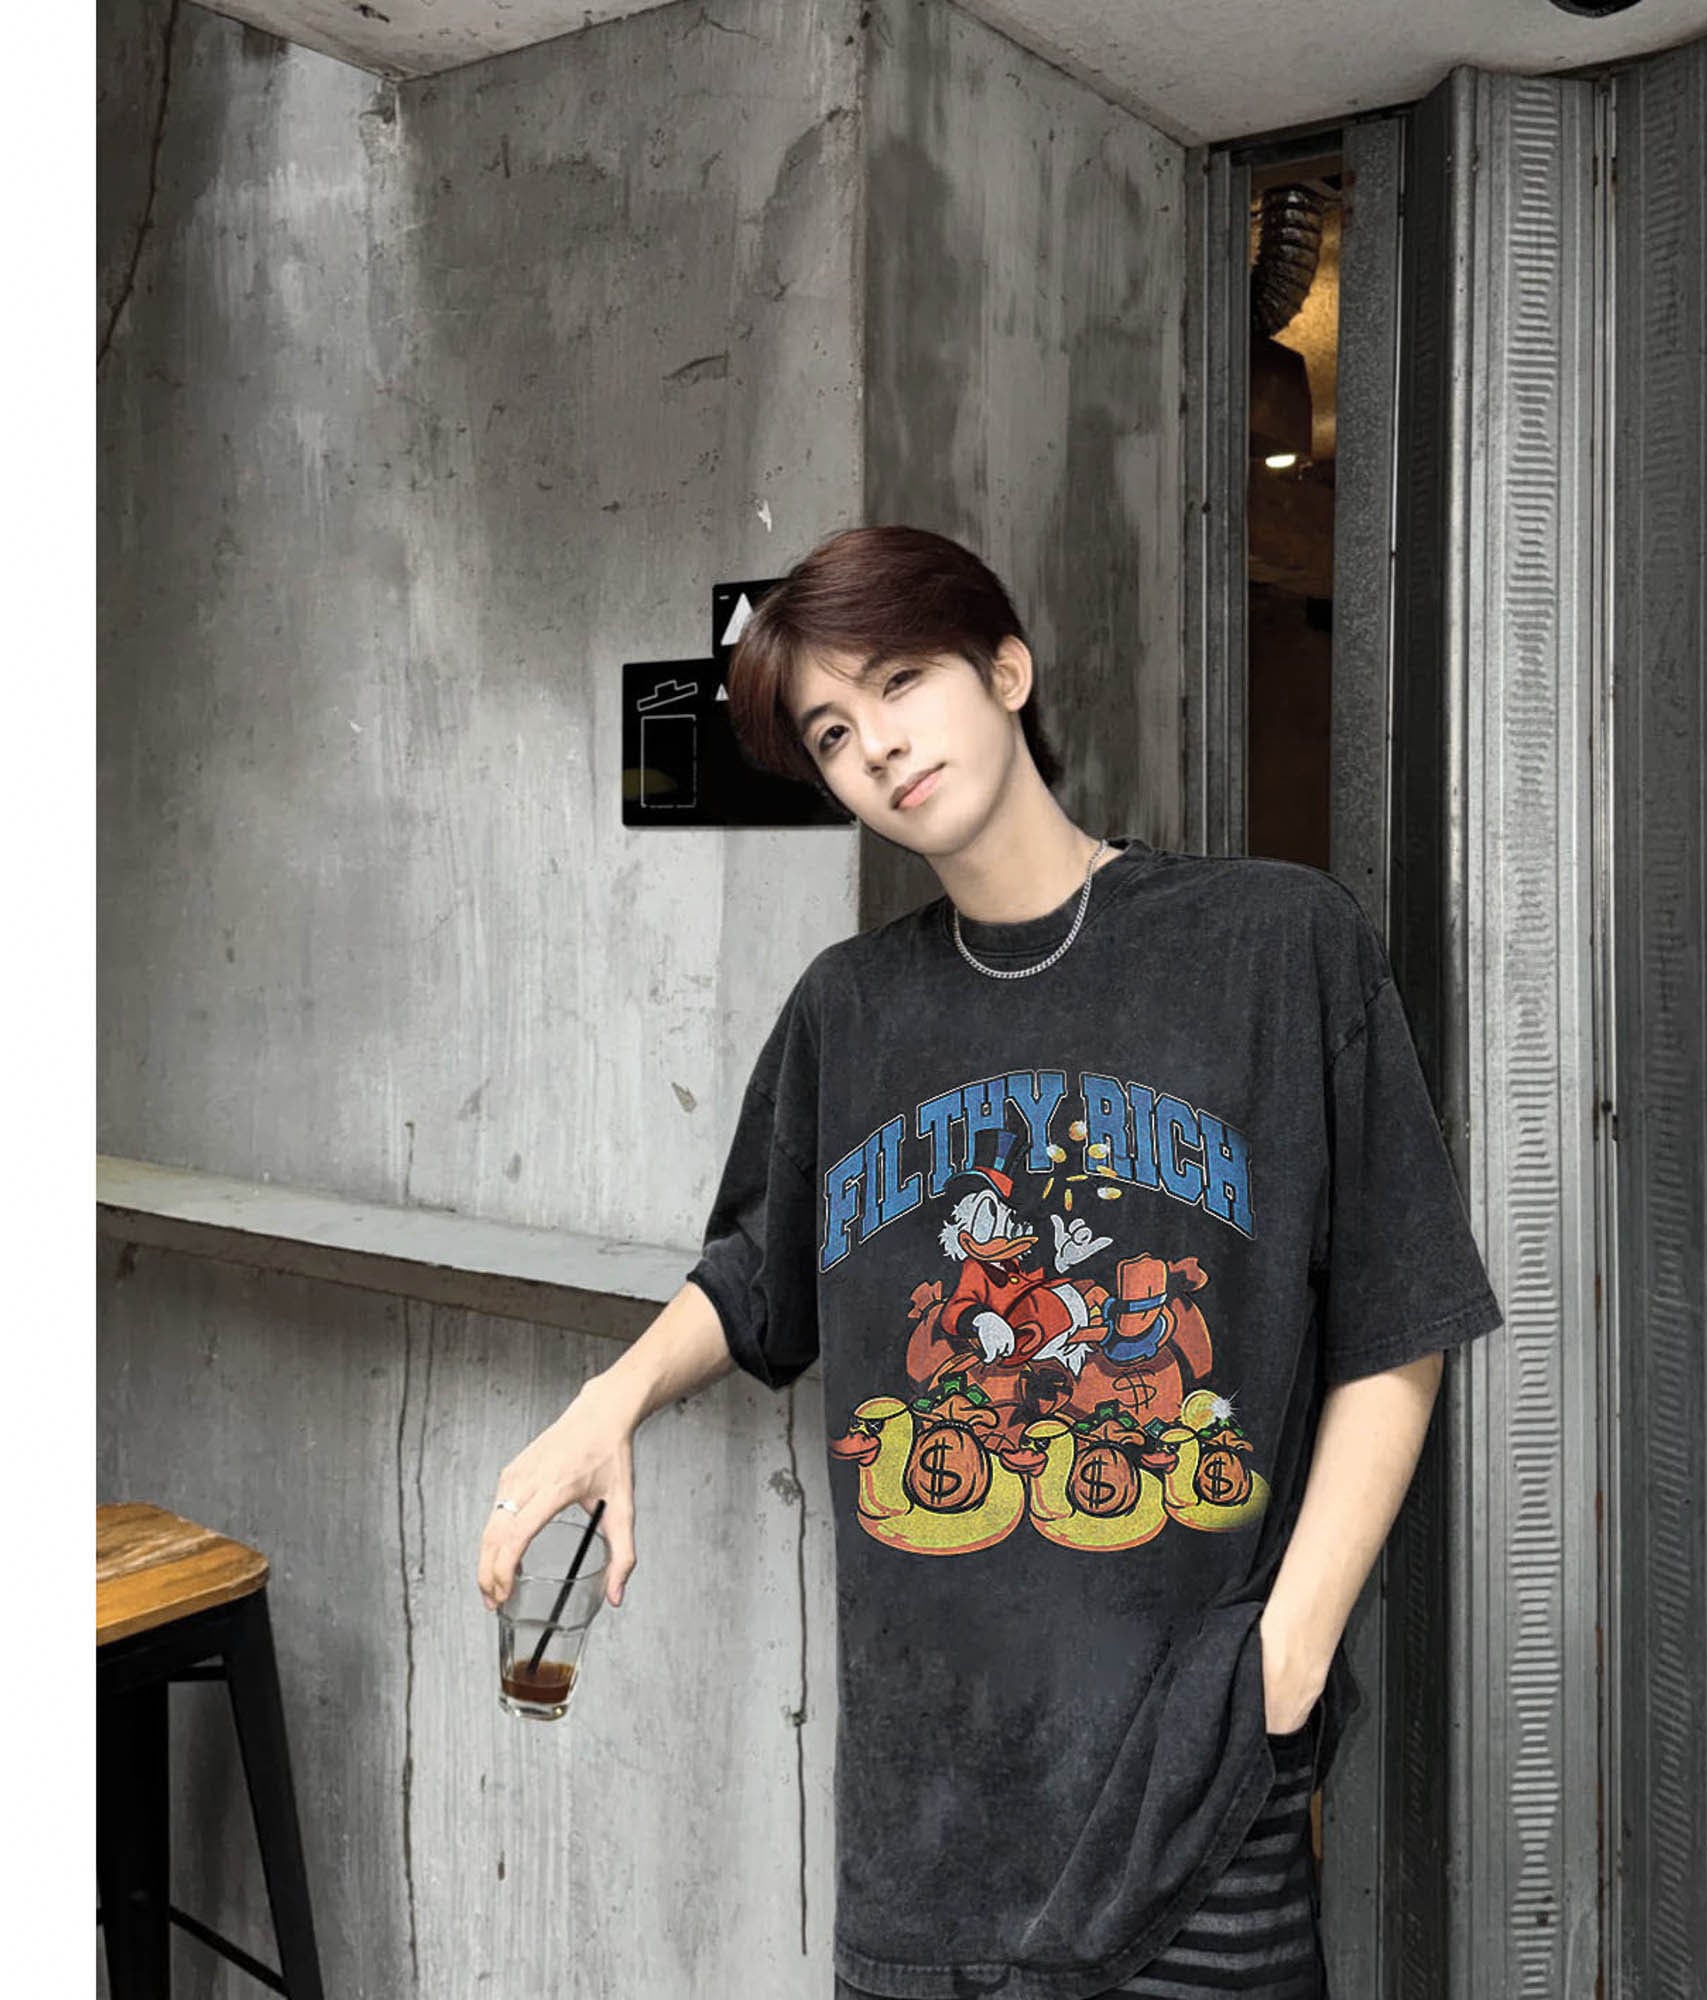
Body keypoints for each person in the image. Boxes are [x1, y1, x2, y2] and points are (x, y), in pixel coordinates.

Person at [476, 524, 1506, 1999]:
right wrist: (610, 1399)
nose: (879, 747)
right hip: (927, 1830)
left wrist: (1287, 1657)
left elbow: (1399, 1316)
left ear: (1006, 669)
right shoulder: (849, 1011)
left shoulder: (1274, 946)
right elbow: (760, 1272)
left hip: (1193, 1797)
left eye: (901, 681)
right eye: (834, 733)